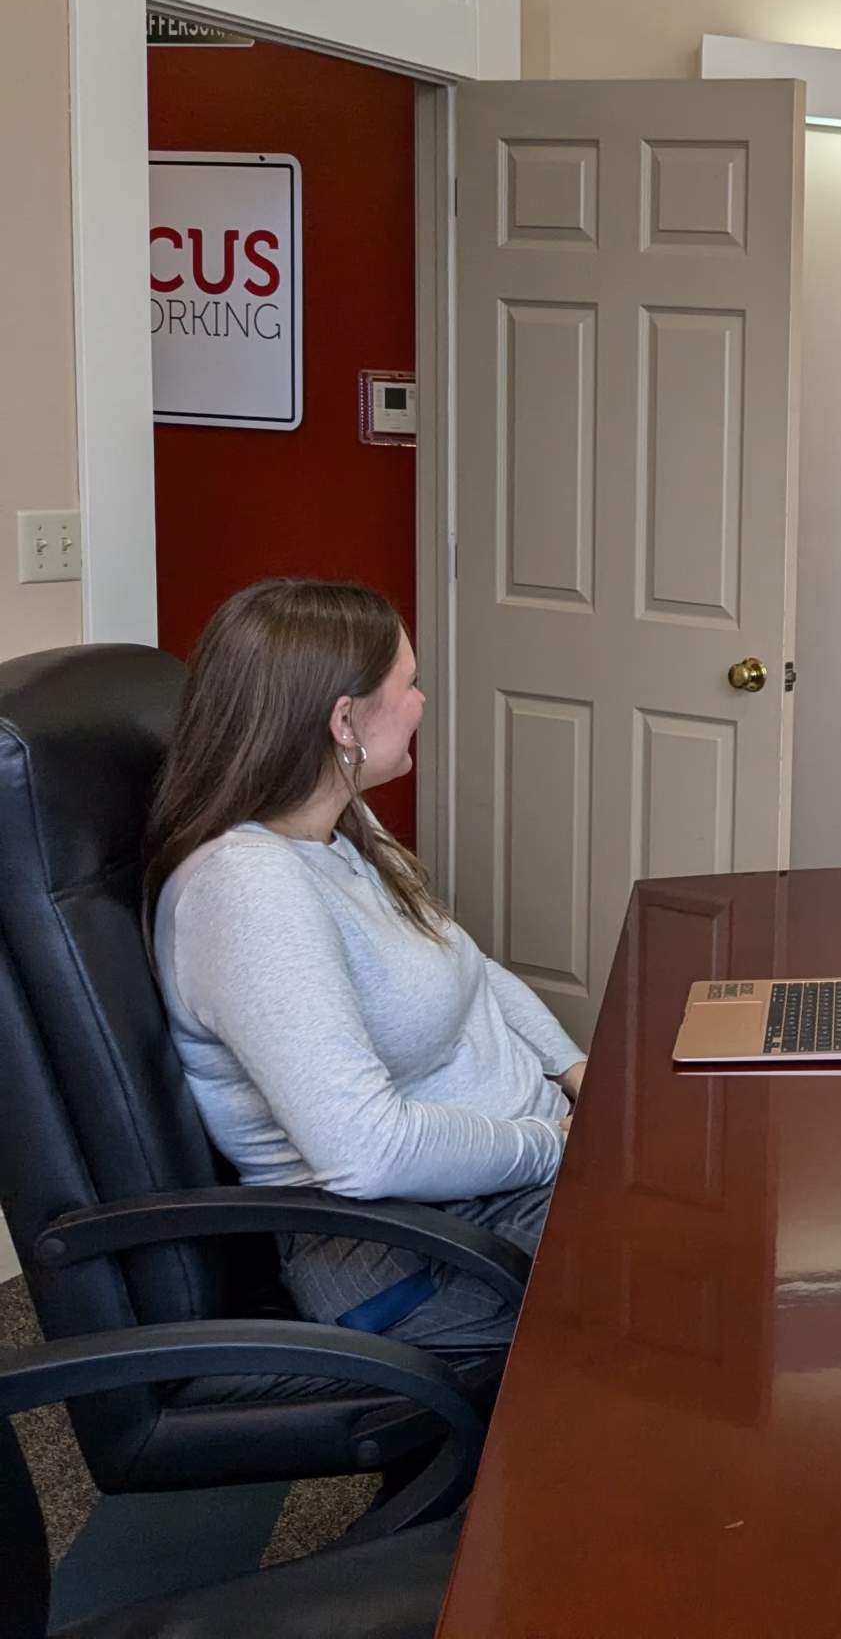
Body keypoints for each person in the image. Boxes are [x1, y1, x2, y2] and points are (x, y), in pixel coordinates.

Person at [146, 578, 585, 1349]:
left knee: (721, 1174)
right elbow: (366, 1153)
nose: (420, 702)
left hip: (506, 1181)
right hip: (418, 1251)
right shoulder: (248, 891)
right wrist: (562, 1144)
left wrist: (580, 1076)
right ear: (343, 720)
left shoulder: (339, 821)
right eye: (408, 684)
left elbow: (467, 966)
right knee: (717, 1264)